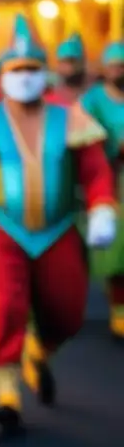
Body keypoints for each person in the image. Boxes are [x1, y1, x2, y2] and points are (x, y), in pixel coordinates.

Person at [0, 15, 115, 439]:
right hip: (2, 228)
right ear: (3, 75)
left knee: (68, 313)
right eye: (16, 70)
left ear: (45, 72)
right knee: (5, 307)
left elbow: (95, 171)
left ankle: (39, 350)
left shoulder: (69, 117)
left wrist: (103, 207)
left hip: (59, 229)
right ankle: (7, 394)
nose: (25, 77)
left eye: (32, 69)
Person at [80, 39, 124, 338]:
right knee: (117, 249)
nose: (118, 70)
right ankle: (118, 309)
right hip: (111, 178)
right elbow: (85, 138)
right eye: (113, 65)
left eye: (122, 65)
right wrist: (113, 146)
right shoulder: (93, 100)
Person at [47, 31, 88, 105]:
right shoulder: (50, 94)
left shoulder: (92, 94)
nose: (69, 67)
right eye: (64, 62)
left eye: (72, 61)